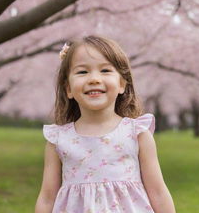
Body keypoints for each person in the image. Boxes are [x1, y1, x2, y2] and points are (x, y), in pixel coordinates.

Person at [35, 35, 176, 213]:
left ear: (122, 84)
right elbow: (47, 198)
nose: (94, 79)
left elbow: (158, 192)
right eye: (82, 72)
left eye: (105, 71)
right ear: (68, 89)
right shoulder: (58, 140)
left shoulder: (136, 133)